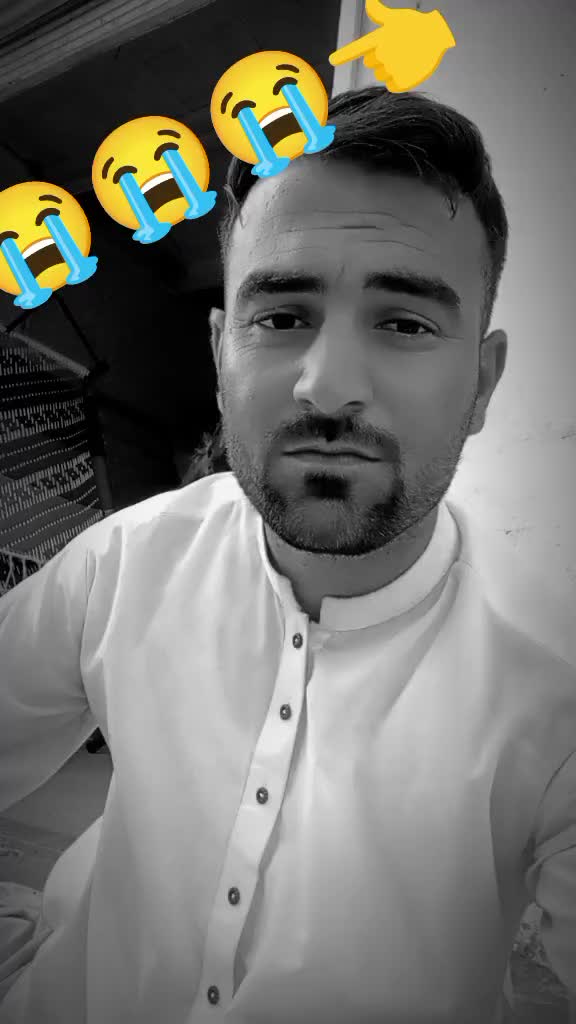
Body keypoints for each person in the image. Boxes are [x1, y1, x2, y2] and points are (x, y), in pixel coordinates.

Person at [0, 84, 575, 1024]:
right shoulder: (124, 562)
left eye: (404, 323)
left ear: (481, 383)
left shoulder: (557, 680)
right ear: (220, 355)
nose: (327, 386)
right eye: (280, 317)